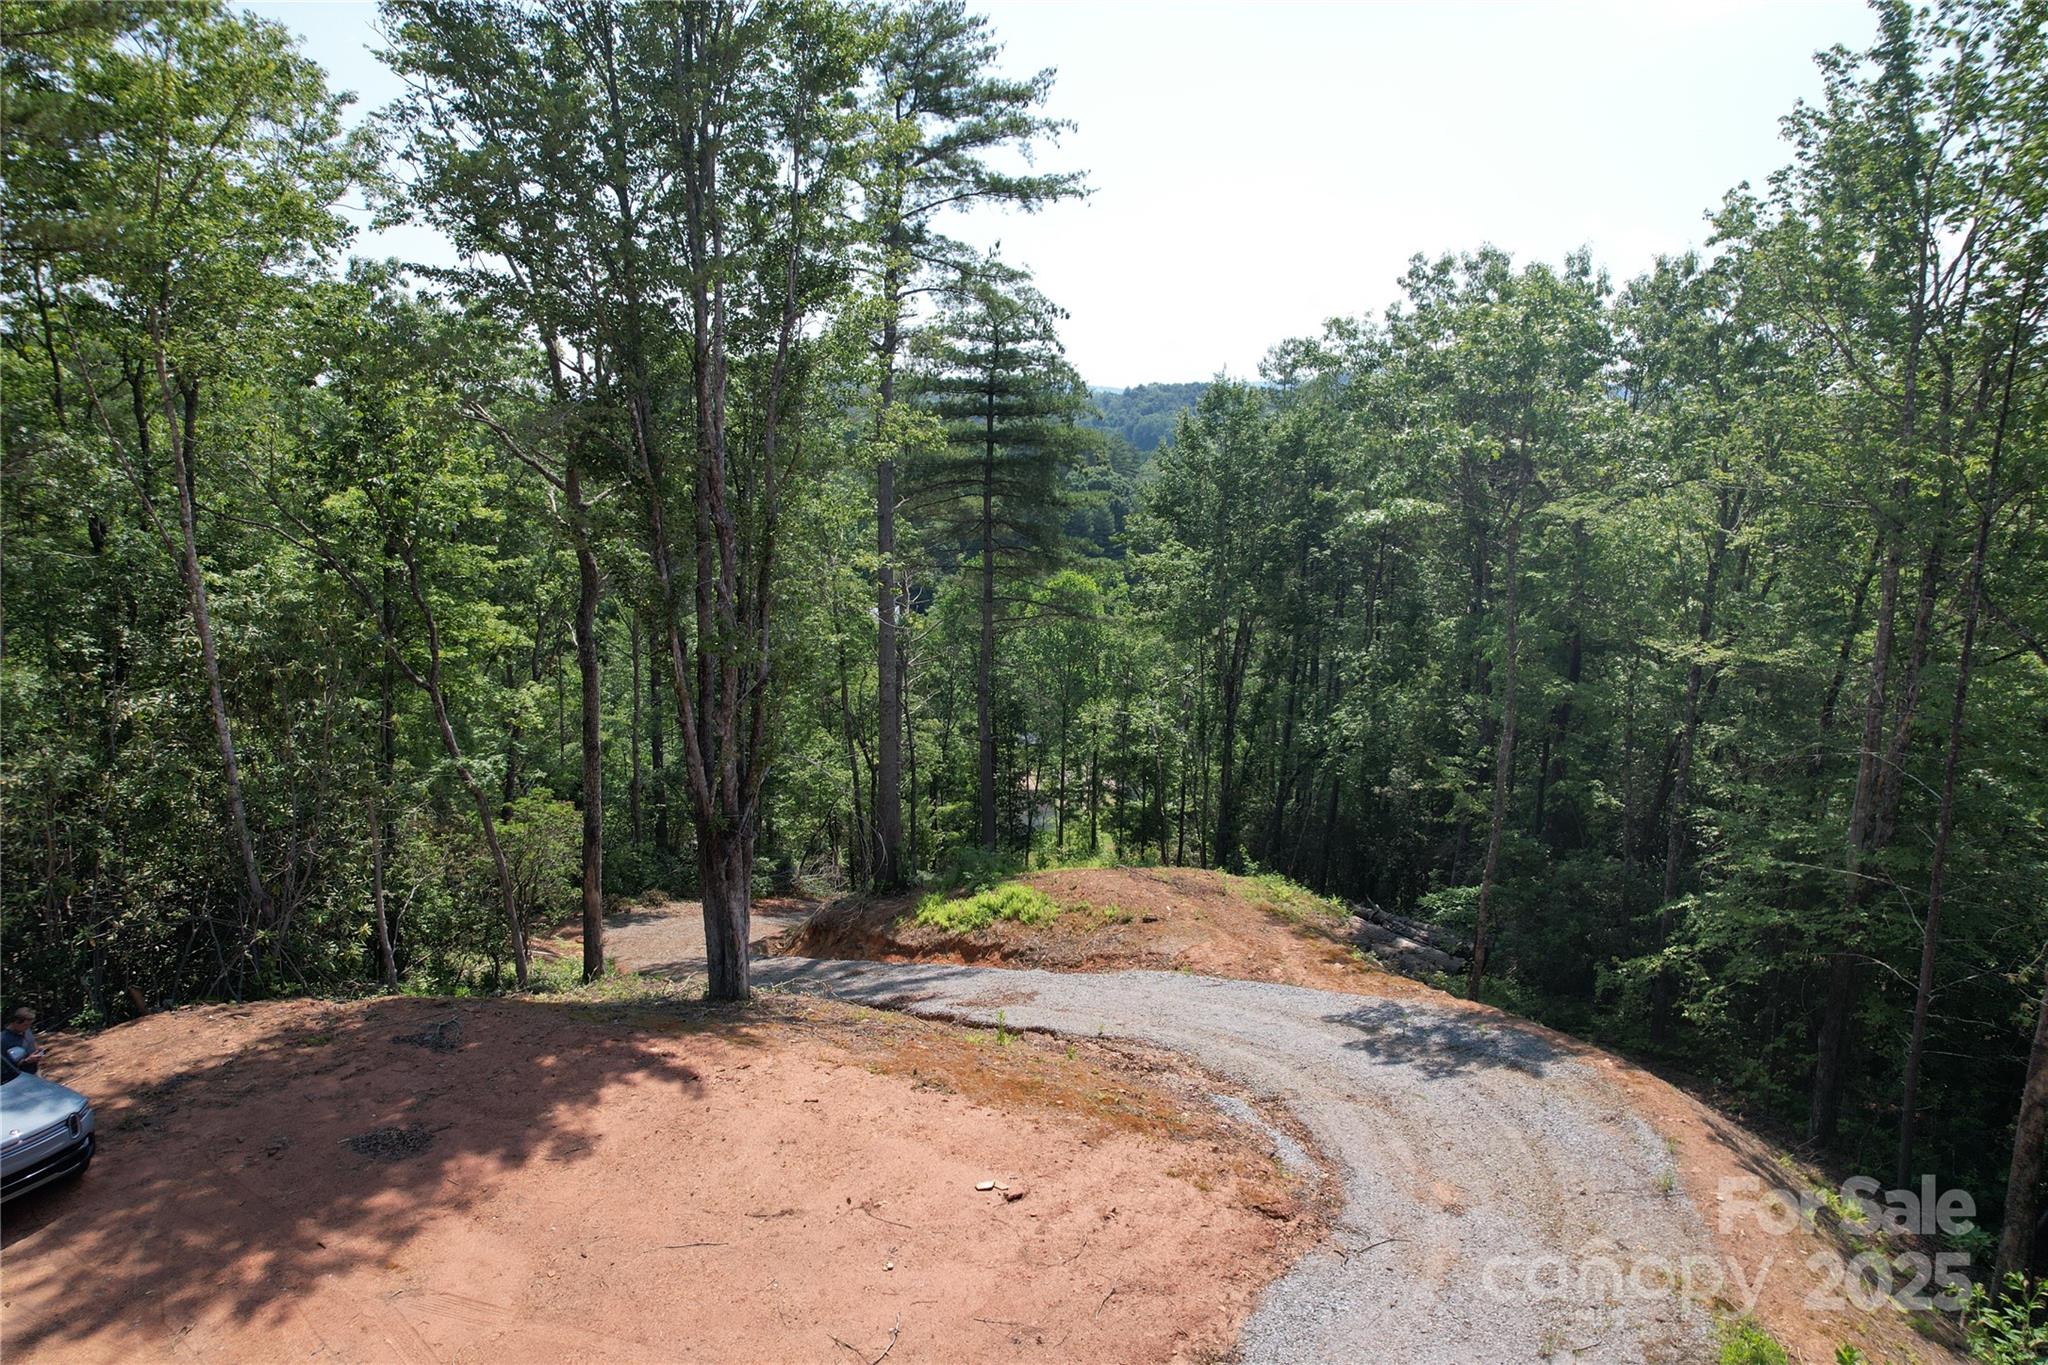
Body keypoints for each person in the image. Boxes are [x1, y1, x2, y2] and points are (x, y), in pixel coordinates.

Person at [3, 1007, 44, 1074]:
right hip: (20, 1076)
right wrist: (26, 1061)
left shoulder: (26, 1029)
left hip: (35, 1071)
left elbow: (32, 1041)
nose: (28, 1027)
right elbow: (5, 1066)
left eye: (30, 1025)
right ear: (16, 1022)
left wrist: (38, 1050)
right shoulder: (3, 1040)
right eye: (26, 1025)